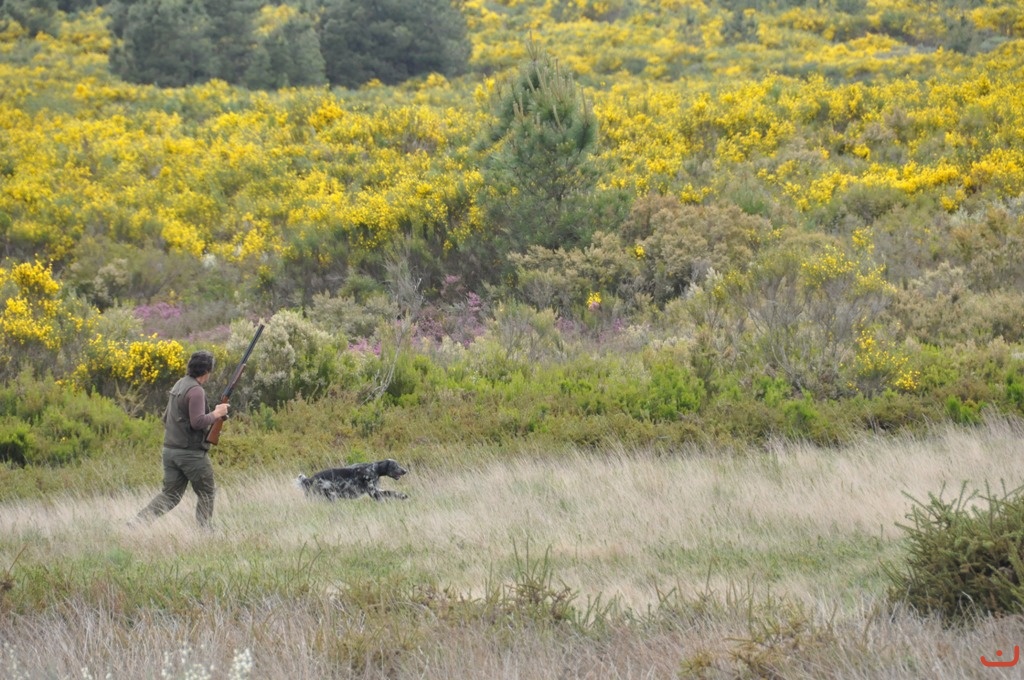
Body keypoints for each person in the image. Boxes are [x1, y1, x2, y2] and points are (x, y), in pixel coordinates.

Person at [133, 350, 229, 529]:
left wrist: (212, 416)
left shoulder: (179, 384)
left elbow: (166, 418)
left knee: (170, 495)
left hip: (170, 451)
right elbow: (197, 422)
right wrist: (216, 414)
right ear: (207, 371)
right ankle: (204, 531)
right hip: (190, 454)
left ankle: (137, 524)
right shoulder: (196, 391)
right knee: (207, 492)